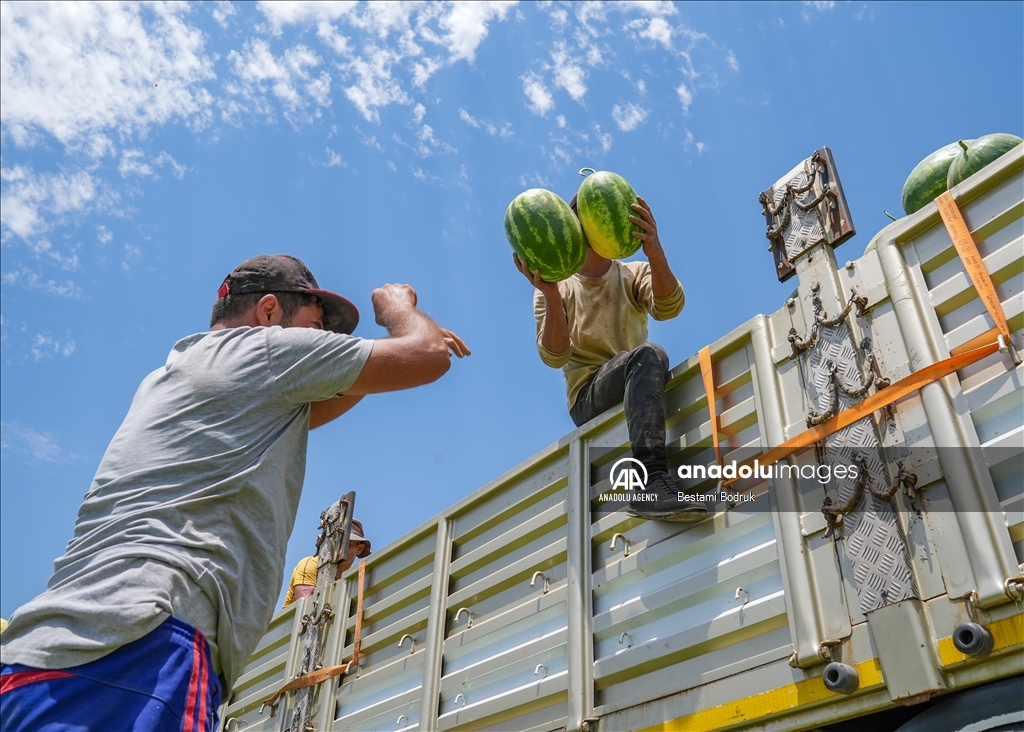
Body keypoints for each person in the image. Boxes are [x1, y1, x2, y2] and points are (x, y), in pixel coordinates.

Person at [0, 254, 468, 732]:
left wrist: (377, 361)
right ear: (268, 314)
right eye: (314, 327)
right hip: (143, 646)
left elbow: (330, 399)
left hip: (39, 663)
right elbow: (427, 356)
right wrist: (397, 311)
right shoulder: (260, 351)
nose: (325, 342)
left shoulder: (180, 371)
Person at [515, 195, 707, 522]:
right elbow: (554, 354)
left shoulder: (632, 273)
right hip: (588, 395)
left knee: (644, 358)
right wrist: (549, 294)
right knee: (648, 355)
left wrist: (655, 250)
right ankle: (650, 480)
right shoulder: (556, 286)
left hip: (633, 376)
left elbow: (670, 306)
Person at [282, 518, 372, 608]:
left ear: (359, 549)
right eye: (336, 540)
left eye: (347, 543)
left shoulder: (353, 580)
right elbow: (308, 610)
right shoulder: (312, 564)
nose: (340, 547)